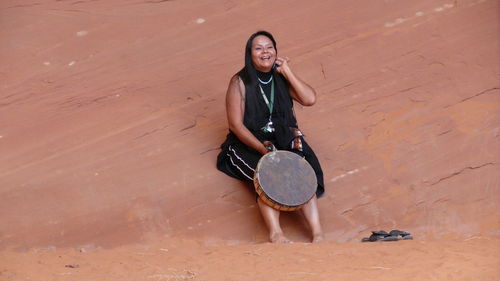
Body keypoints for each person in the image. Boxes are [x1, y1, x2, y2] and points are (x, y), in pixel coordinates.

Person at [216, 30, 325, 243]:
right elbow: (236, 125)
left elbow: (309, 99)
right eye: (258, 48)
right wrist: (262, 150)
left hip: (284, 138)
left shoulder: (281, 77)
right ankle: (276, 233)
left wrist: (288, 72)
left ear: (276, 51)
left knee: (303, 170)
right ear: (250, 53)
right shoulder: (240, 81)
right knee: (267, 174)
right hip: (250, 142)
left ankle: (318, 233)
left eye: (269, 47)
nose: (265, 52)